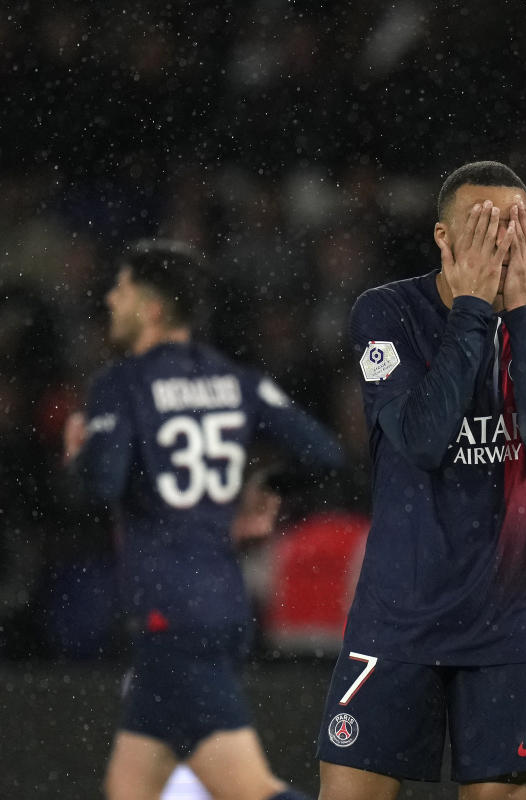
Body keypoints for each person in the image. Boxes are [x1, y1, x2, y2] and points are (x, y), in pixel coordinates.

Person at [316, 161, 526, 800]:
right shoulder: (387, 313)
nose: (501, 244)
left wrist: (520, 316)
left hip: (511, 629)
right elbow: (421, 439)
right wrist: (472, 310)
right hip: (398, 622)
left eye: (516, 227)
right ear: (443, 239)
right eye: (482, 228)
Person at [63, 239, 344, 800]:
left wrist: (80, 455)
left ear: (152, 308)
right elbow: (324, 454)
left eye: (120, 290)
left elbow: (103, 483)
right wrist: (262, 489)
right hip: (216, 602)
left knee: (252, 789)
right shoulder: (234, 380)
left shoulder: (122, 385)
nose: (109, 300)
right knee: (129, 789)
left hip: (172, 613)